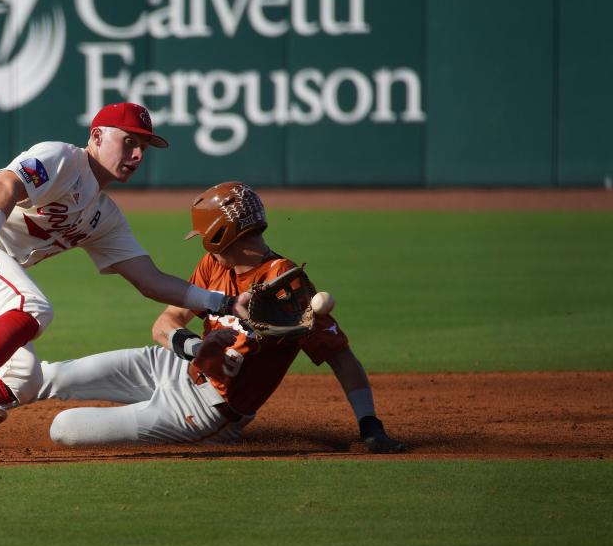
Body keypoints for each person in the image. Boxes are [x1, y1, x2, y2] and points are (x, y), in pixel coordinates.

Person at [0, 103, 249, 460]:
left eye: (144, 149)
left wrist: (223, 303)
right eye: (129, 142)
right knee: (32, 307)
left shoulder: (104, 215)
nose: (136, 155)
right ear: (96, 136)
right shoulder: (63, 158)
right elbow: (6, 184)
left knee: (23, 377)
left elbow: (149, 280)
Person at [37, 182, 405, 453]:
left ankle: (151, 416)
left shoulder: (287, 289)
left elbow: (340, 355)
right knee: (53, 374)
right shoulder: (214, 264)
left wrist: (369, 423)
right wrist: (195, 346)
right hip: (171, 367)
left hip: (205, 409)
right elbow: (164, 324)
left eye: (203, 234)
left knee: (64, 427)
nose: (201, 242)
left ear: (218, 235)